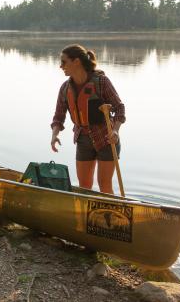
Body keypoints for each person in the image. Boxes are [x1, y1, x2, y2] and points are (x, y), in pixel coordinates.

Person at [50, 44, 125, 194]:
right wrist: (54, 134)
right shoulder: (65, 88)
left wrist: (115, 131)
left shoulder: (101, 82)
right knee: (84, 186)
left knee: (104, 185)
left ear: (76, 61)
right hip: (83, 139)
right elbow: (59, 116)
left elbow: (119, 108)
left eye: (64, 62)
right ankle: (86, 216)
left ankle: (109, 214)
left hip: (106, 138)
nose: (61, 66)